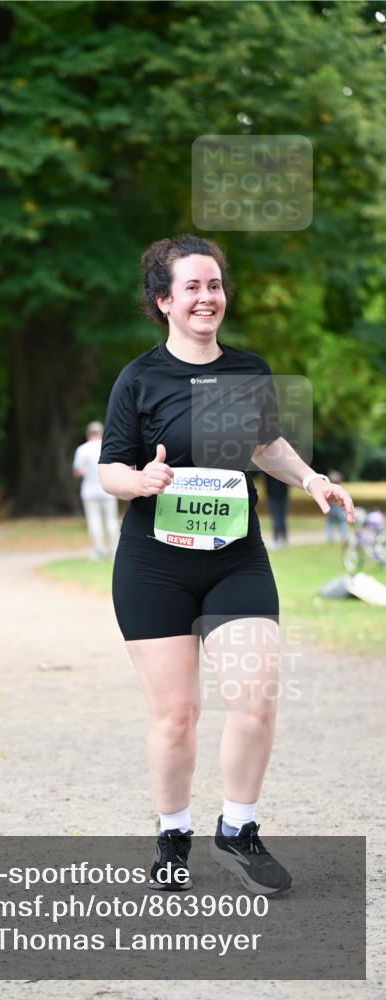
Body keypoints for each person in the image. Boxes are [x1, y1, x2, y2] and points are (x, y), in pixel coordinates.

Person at [98, 234, 355, 895]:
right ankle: (172, 835)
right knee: (175, 714)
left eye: (213, 285)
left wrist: (311, 480)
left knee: (253, 699)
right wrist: (141, 483)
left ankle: (237, 829)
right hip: (154, 564)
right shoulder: (140, 377)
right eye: (191, 287)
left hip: (234, 558)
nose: (206, 296)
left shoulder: (247, 369)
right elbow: (109, 472)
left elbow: (265, 444)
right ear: (164, 301)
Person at [72, 421, 120, 558]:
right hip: (108, 489)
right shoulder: (107, 447)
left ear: (88, 434)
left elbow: (77, 471)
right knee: (111, 521)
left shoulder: (82, 449)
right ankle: (114, 550)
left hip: (89, 491)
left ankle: (98, 550)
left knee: (94, 521)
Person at [264, 473, 289, 549]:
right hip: (282, 493)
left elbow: (263, 478)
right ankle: (284, 539)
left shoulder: (267, 466)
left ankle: (276, 539)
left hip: (273, 494)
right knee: (282, 517)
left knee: (276, 518)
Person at [326, 469, 349, 543]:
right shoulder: (341, 489)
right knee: (341, 524)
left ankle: (331, 538)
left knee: (330, 525)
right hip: (339, 512)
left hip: (331, 512)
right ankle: (343, 537)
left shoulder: (328, 489)